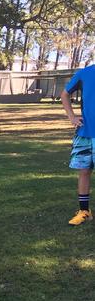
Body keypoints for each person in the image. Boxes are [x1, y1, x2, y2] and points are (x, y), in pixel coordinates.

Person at [61, 64, 95, 225]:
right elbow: (64, 94)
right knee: (84, 171)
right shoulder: (85, 73)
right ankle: (84, 211)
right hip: (85, 133)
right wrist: (72, 117)